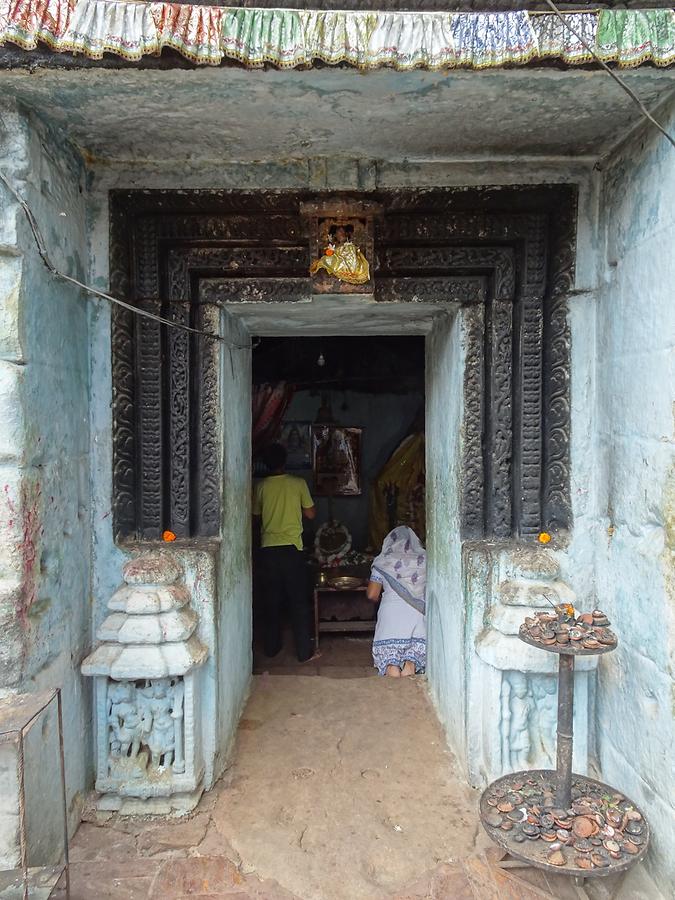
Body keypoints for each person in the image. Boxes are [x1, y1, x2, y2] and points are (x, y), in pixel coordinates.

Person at [253, 442, 318, 662]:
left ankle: (271, 649)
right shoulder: (298, 483)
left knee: (271, 601)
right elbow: (310, 514)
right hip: (293, 549)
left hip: (268, 549)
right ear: (284, 461)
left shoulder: (261, 487)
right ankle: (303, 652)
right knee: (298, 601)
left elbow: (256, 515)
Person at [366, 526, 426, 677]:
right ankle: (410, 665)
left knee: (390, 665)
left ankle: (393, 669)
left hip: (391, 617)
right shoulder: (425, 560)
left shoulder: (383, 562)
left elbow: (372, 594)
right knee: (412, 659)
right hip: (417, 615)